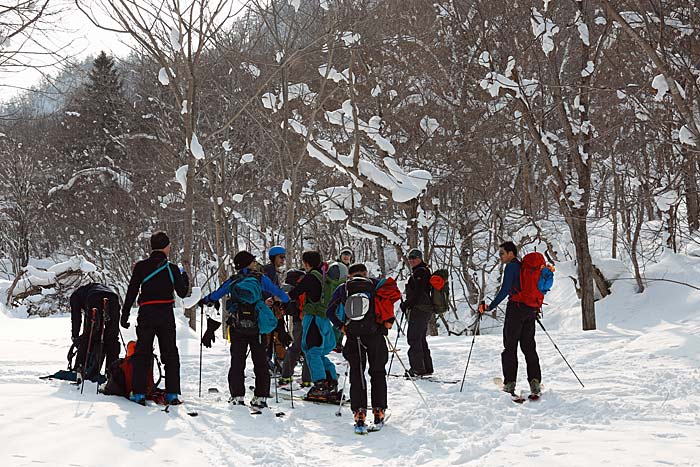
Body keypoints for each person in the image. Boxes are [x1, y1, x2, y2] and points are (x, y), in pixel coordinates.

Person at [199, 250, 289, 409]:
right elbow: (279, 293)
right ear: (247, 263)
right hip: (257, 327)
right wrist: (286, 301)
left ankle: (237, 396)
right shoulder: (261, 278)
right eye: (253, 261)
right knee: (260, 362)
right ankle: (261, 397)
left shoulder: (234, 280)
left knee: (237, 361)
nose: (255, 263)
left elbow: (217, 294)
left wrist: (205, 300)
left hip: (237, 326)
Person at [326, 263, 398, 433]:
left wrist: (341, 326)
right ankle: (379, 411)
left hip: (353, 335)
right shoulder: (375, 285)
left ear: (349, 275)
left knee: (357, 373)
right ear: (365, 273)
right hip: (375, 335)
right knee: (378, 372)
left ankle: (359, 413)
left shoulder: (344, 288)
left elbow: (330, 311)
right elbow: (388, 307)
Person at [120, 231, 189, 405]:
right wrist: (184, 277)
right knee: (170, 353)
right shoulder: (172, 268)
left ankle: (139, 394)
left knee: (142, 353)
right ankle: (172, 393)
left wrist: (125, 313)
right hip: (165, 313)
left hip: (147, 313)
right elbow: (182, 292)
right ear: (166, 247)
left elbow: (132, 291)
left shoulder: (141, 267)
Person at [481, 241, 541, 396]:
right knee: (529, 347)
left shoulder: (512, 267)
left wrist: (491, 306)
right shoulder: (524, 267)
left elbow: (505, 290)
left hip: (515, 309)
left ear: (510, 253)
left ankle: (509, 383)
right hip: (530, 310)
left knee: (510, 346)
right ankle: (535, 381)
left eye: (502, 253)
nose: (500, 256)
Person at [288, 250, 339, 401]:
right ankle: (331, 380)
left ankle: (320, 385)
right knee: (318, 352)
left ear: (306, 263)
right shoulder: (325, 276)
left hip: (313, 318)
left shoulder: (311, 277)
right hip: (324, 319)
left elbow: (295, 293)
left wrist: (278, 298)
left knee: (312, 351)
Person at [70, 283, 121, 383]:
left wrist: (75, 336)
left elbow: (76, 317)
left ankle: (79, 368)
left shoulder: (75, 296)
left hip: (95, 298)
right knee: (112, 338)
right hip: (113, 298)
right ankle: (112, 373)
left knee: (89, 336)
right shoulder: (91, 288)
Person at [399, 248, 434, 377]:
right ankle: (426, 367)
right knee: (420, 338)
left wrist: (406, 304)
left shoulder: (420, 272)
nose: (412, 260)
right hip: (423, 310)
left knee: (414, 338)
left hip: (419, 310)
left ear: (420, 258)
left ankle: (417, 368)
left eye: (415, 257)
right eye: (410, 257)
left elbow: (418, 293)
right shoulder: (422, 270)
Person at [278, 268, 312, 387]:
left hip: (297, 320)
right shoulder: (304, 284)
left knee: (296, 347)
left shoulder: (292, 286)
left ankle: (286, 375)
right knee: (307, 348)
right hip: (305, 319)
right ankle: (307, 379)